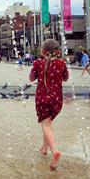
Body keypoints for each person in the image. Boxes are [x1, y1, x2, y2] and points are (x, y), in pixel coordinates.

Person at [29, 39, 69, 170]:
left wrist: (34, 70)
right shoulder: (61, 63)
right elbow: (66, 78)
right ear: (58, 51)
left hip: (42, 98)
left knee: (46, 124)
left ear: (43, 51)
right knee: (48, 123)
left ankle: (55, 151)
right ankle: (44, 147)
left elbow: (31, 78)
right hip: (57, 99)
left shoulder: (38, 63)